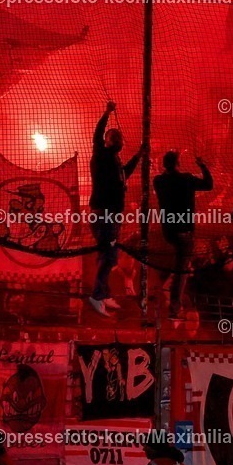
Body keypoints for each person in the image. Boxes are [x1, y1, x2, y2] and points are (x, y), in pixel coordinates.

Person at [89, 101, 144, 317]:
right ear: (108, 141)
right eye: (115, 136)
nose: (119, 139)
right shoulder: (101, 156)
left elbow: (125, 173)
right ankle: (98, 296)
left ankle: (103, 294)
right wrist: (107, 113)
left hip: (111, 215)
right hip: (104, 214)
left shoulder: (115, 163)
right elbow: (97, 135)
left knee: (109, 255)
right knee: (110, 256)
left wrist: (138, 155)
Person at [153, 151, 213, 318]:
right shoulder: (186, 179)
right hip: (184, 232)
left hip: (168, 232)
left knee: (175, 265)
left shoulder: (158, 181)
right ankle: (174, 306)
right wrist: (202, 165)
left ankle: (165, 298)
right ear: (178, 164)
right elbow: (209, 184)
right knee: (181, 270)